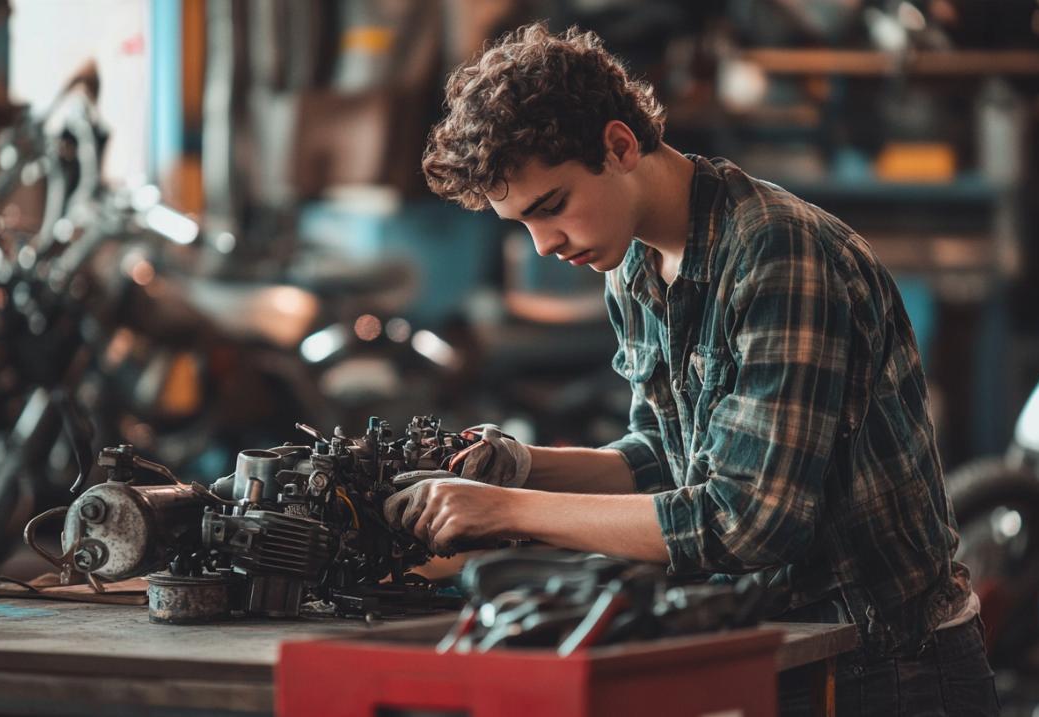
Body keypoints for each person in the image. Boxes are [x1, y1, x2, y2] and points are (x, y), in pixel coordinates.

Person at [388, 21, 999, 715]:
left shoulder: (777, 253)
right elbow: (665, 456)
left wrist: (505, 511)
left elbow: (749, 520)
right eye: (522, 223)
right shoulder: (632, 266)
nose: (544, 244)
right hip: (775, 646)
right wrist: (522, 466)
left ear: (620, 146)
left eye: (551, 206)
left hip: (888, 666)